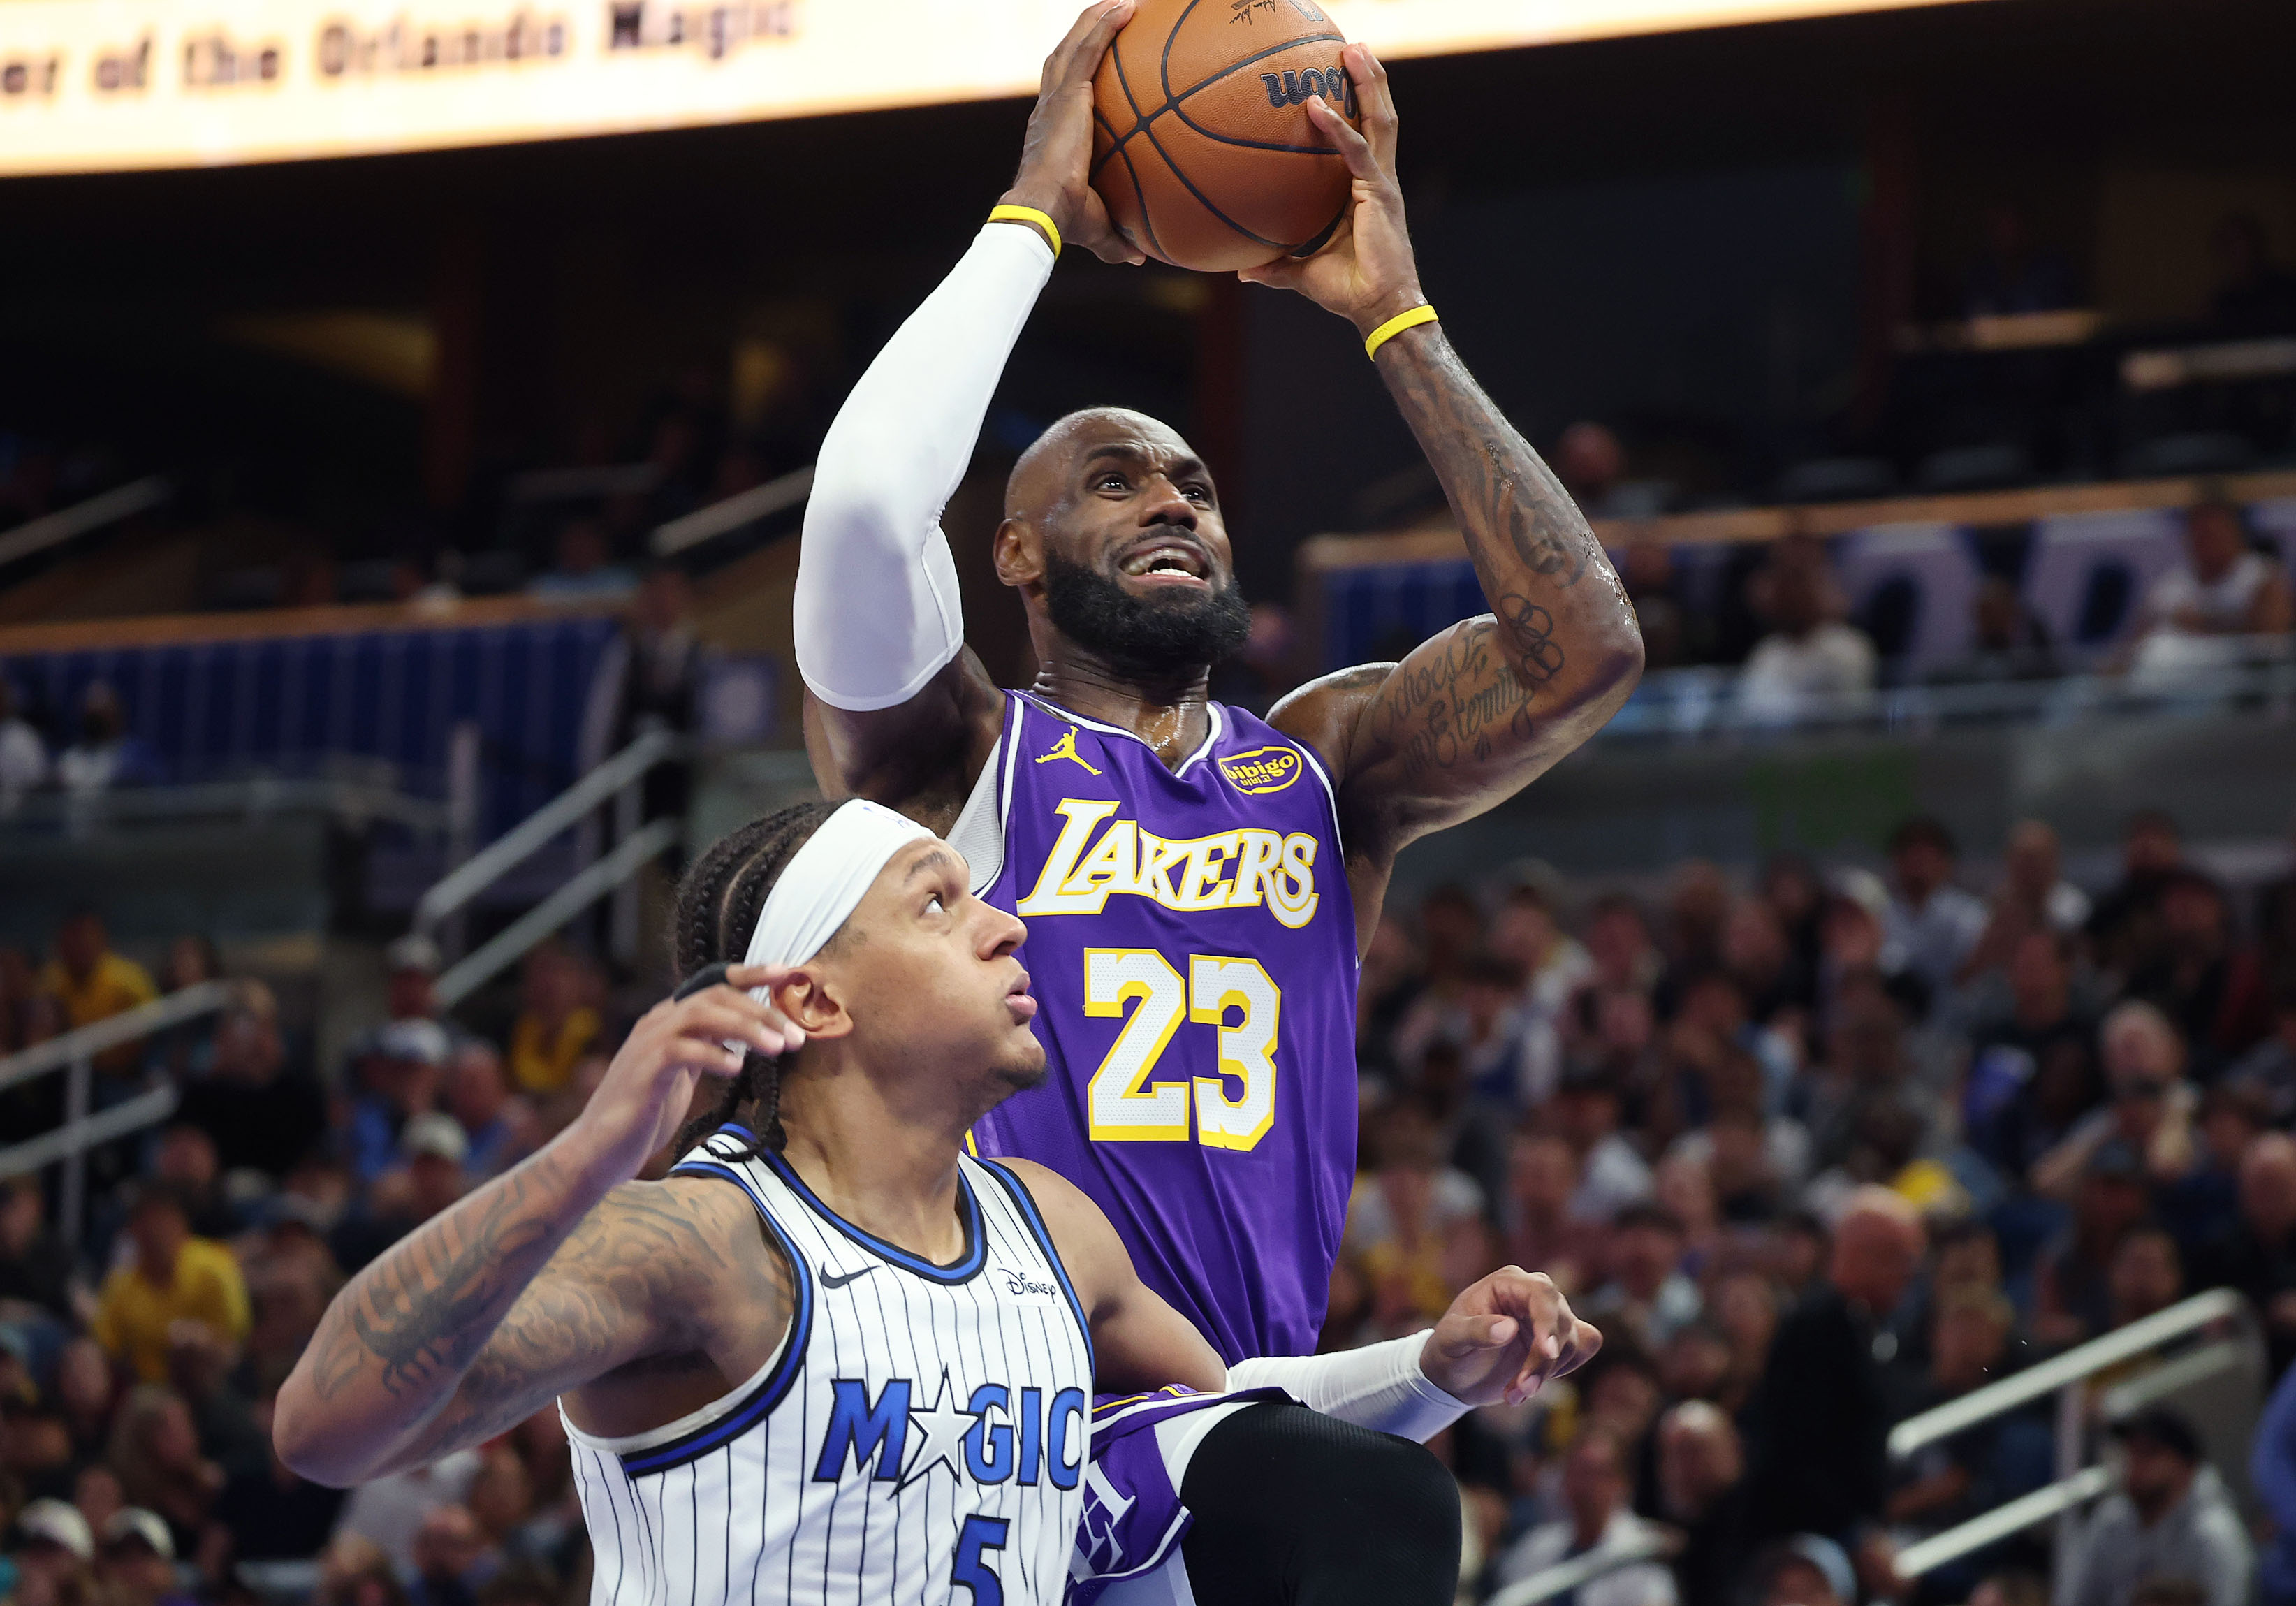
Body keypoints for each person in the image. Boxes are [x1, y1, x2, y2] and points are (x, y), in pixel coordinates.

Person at [791, 10, 1637, 1600]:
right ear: (1017, 557)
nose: (1171, 497)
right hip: (1005, 1438)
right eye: (1114, 480)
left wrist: (1395, 319)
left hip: (1234, 1435)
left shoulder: (1320, 770)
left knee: (1342, 1496)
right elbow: (854, 506)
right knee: (1359, 1515)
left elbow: (1582, 645)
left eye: (1191, 482)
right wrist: (1031, 216)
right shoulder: (949, 758)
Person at [275, 797, 1598, 1606]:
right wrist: (591, 1148)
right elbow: (328, 1424)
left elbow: (1244, 1441)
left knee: (1383, 1506)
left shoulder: (1049, 1222)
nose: (1007, 920)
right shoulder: (703, 1238)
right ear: (817, 996)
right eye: (940, 898)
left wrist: (1427, 1372)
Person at [1741, 1187, 1925, 1545]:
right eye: (1902, 1260)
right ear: (1865, 1255)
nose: (1909, 1276)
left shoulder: (1858, 1323)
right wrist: (1853, 1532)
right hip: (1807, 1543)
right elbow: (1795, 1449)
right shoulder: (1819, 1326)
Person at [2059, 1408, 2251, 1606]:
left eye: (2149, 1453)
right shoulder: (2111, 1520)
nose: (2135, 1464)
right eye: (2131, 1452)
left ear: (2187, 1466)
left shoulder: (2215, 1535)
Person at [1490, 1426, 1677, 1606]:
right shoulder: (1536, 1547)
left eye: (1595, 1474)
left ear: (1622, 1482)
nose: (1584, 1486)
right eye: (1576, 1472)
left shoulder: (1643, 1549)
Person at [90, 1183, 251, 1385]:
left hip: (214, 1382)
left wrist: (202, 1339)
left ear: (182, 1223)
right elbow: (106, 1348)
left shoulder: (215, 1269)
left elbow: (236, 1345)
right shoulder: (121, 1284)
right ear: (132, 1230)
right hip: (145, 1389)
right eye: (143, 1219)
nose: (153, 1229)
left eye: (162, 1218)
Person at [2127, 498, 2291, 682]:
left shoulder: (2262, 578)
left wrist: (2205, 624)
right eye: (2198, 534)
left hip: (2238, 689)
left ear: (2235, 533)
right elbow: (2131, 646)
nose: (2205, 541)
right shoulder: (2170, 587)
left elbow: (2270, 643)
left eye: (2212, 533)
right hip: (2165, 694)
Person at [1734, 536, 1876, 724]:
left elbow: (1851, 720)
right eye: (1781, 577)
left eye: (1798, 578)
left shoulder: (1846, 649)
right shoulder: (1768, 654)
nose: (1788, 591)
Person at [1881, 817, 1988, 1001]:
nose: (1917, 864)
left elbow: (1971, 975)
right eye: (1909, 853)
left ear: (1945, 862)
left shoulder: (1969, 916)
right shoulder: (1881, 915)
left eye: (1925, 856)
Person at [38, 911, 156, 1075]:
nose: (80, 946)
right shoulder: (52, 981)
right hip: (73, 1070)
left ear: (101, 939)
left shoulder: (127, 980)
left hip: (127, 1070)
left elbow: (154, 1027)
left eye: (86, 938)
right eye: (74, 939)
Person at [54, 683, 165, 796]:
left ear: (117, 715)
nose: (96, 722)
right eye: (91, 715)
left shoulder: (137, 759)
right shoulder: (70, 760)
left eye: (101, 715)